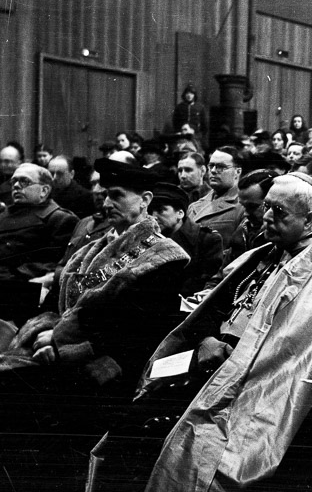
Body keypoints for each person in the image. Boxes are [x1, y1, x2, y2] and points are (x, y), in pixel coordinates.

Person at [137, 173, 312, 492]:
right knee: (134, 418)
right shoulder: (262, 254)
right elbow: (214, 307)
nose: (267, 218)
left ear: (309, 220)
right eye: (267, 208)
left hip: (250, 386)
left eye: (280, 212)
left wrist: (229, 359)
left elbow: (296, 356)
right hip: (210, 363)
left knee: (195, 454)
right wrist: (207, 338)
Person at [0, 155, 189, 398]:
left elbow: (133, 327)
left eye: (118, 195)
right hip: (58, 347)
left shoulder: (165, 256)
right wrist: (42, 333)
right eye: (106, 195)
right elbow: (56, 300)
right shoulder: (90, 249)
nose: (108, 203)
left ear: (145, 200)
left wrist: (58, 341)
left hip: (110, 362)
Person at [0, 164, 79, 321]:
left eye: (24, 181)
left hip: (23, 291)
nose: (16, 185)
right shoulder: (3, 215)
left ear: (44, 190)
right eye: (13, 181)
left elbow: (57, 263)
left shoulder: (60, 219)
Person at [149, 182, 223, 296]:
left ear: (180, 213)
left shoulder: (207, 240)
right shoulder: (150, 239)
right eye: (150, 212)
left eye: (160, 210)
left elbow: (207, 283)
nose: (153, 217)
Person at [186, 146, 245, 249]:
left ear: (238, 172)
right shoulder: (194, 206)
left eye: (221, 167)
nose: (213, 171)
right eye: (211, 165)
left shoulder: (243, 205)